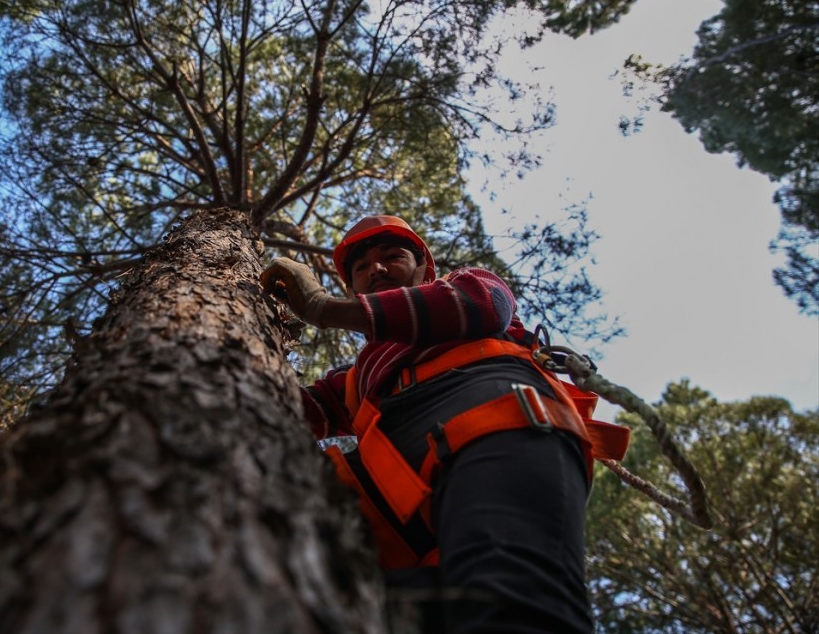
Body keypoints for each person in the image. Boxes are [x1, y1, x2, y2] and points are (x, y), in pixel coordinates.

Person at [260, 215, 628, 634]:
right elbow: (289, 408)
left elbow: (476, 305)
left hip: (497, 425)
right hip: (397, 518)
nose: (375, 268)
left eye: (391, 256)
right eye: (361, 267)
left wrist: (322, 309)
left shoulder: (469, 286)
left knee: (513, 601)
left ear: (425, 269)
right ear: (354, 288)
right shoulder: (360, 378)